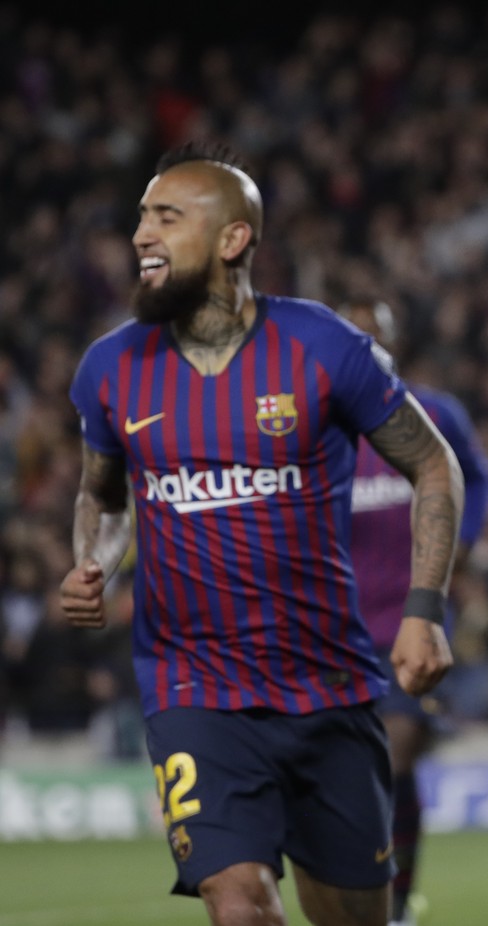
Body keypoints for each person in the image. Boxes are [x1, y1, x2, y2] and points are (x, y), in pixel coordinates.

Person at [58, 143, 464, 926]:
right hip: (193, 691)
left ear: (232, 240)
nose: (141, 233)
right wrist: (94, 561)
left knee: (355, 917)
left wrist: (424, 609)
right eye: (141, 216)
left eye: (166, 217)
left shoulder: (323, 348)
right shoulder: (108, 369)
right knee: (239, 904)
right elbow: (102, 497)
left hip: (329, 688)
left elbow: (435, 466)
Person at [340, 298, 488, 926]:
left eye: (374, 335)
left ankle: (394, 904)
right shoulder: (315, 423)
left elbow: (476, 479)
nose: (364, 347)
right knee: (356, 770)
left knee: (393, 752)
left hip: (412, 617)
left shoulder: (432, 415)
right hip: (336, 626)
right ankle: (369, 895)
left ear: (392, 342)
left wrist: (458, 547)